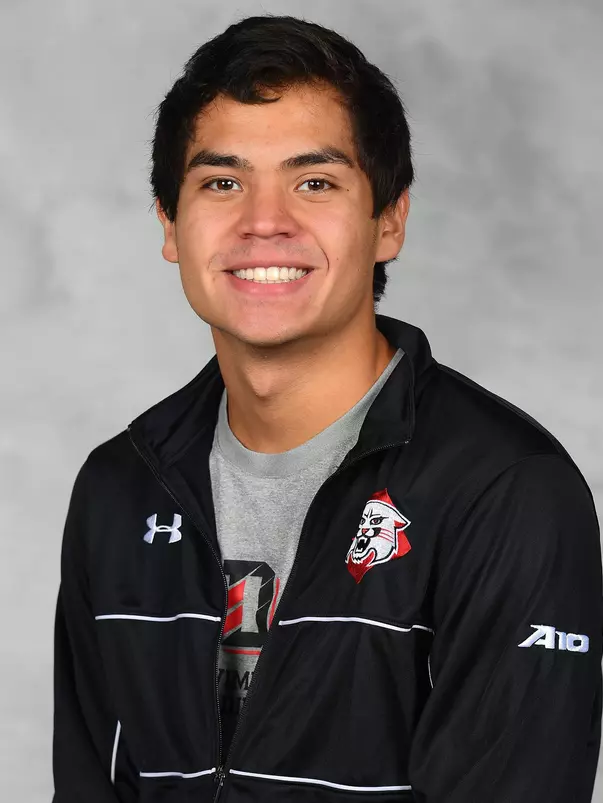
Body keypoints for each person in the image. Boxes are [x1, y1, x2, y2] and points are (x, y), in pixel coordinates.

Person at [52, 13, 603, 803]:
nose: (263, 220)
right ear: (170, 225)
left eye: (314, 181)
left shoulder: (507, 491)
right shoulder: (118, 487)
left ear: (389, 221)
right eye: (221, 181)